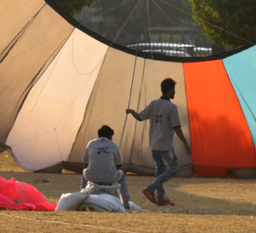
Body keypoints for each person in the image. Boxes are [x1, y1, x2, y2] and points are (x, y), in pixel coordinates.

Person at [126, 77, 191, 206]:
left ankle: (161, 198)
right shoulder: (172, 107)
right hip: (165, 145)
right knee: (173, 169)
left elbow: (140, 117)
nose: (174, 92)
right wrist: (185, 143)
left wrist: (132, 111)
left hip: (154, 145)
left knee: (160, 171)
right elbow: (176, 127)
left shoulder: (153, 103)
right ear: (169, 90)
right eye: (174, 90)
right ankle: (150, 188)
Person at [81, 124, 132, 211]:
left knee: (84, 173)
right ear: (110, 136)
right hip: (109, 177)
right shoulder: (113, 145)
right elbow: (119, 164)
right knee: (122, 175)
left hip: (92, 177)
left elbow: (85, 163)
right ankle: (126, 205)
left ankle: (81, 199)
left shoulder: (91, 143)